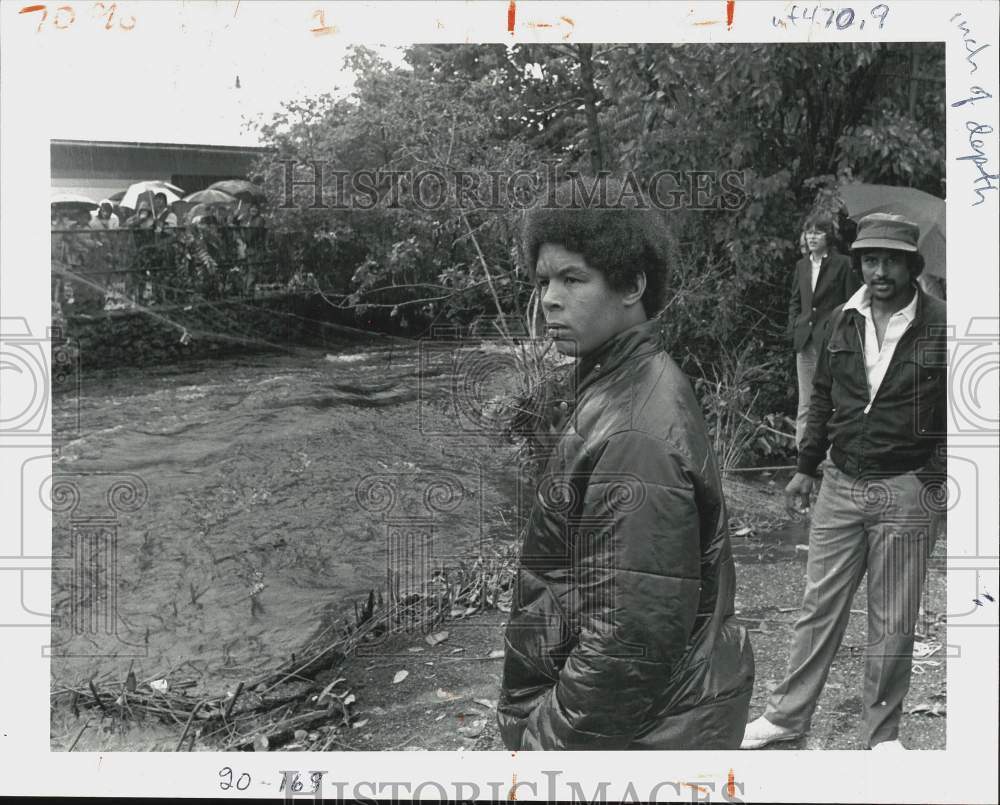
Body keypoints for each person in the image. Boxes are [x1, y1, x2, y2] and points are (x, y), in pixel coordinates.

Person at [496, 178, 754, 750]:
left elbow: (627, 640)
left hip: (649, 734)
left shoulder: (635, 426)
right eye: (543, 281)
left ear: (632, 284)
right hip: (664, 718)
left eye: (573, 279)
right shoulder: (621, 385)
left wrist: (544, 749)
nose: (550, 299)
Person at [742, 213, 947, 751]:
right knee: (818, 605)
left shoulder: (943, 324)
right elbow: (823, 401)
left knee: (894, 615)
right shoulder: (840, 320)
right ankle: (786, 717)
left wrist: (933, 477)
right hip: (840, 482)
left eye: (892, 261)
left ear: (911, 266)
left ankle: (881, 737)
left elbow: (966, 412)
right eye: (871, 260)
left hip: (907, 487)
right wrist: (807, 468)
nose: (880, 271)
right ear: (859, 264)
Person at [787, 215, 862, 448]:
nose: (812, 237)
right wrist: (794, 329)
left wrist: (845, 337)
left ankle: (831, 458)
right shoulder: (801, 266)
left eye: (817, 232)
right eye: (809, 232)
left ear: (828, 236)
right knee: (805, 403)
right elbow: (795, 302)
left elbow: (853, 303)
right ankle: (803, 459)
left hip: (833, 343)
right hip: (805, 343)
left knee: (832, 401)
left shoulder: (842, 264)